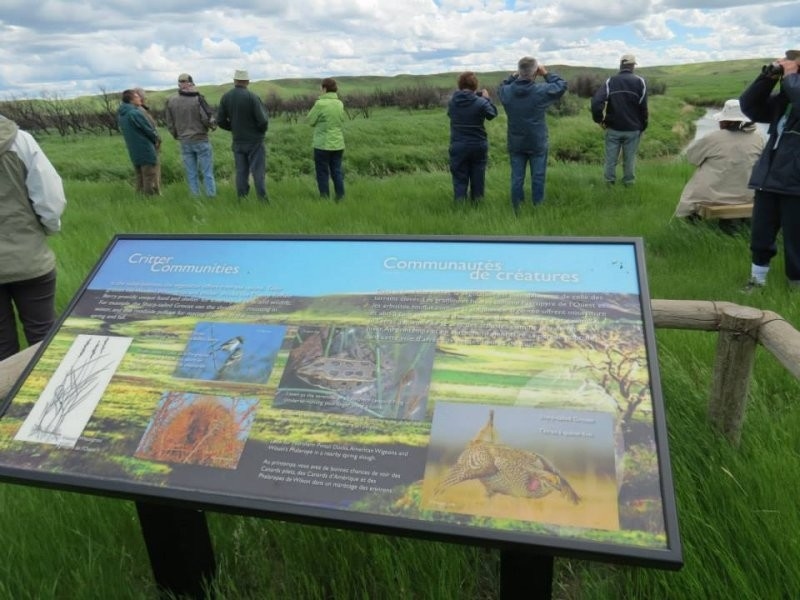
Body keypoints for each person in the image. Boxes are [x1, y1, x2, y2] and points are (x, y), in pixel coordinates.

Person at [0, 114, 67, 360]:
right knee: (43, 338)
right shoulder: (20, 140)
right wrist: (47, 228)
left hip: (28, 258)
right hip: (29, 257)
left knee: (1, 346)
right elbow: (50, 198)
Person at [739, 49, 800, 290]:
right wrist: (768, 77)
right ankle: (757, 281)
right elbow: (750, 106)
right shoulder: (786, 100)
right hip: (770, 176)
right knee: (761, 234)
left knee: (796, 238)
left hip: (796, 182)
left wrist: (790, 76)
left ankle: (795, 288)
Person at [673, 99, 764, 221]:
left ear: (727, 121)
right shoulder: (758, 138)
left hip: (713, 197)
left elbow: (692, 158)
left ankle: (693, 224)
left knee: (691, 197)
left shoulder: (713, 138)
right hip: (748, 195)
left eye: (722, 120)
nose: (719, 122)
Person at [498, 56, 567, 213]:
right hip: (537, 141)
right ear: (535, 72)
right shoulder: (540, 91)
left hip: (516, 141)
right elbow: (561, 85)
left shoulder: (507, 92)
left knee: (517, 177)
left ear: (519, 71)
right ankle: (538, 207)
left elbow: (501, 87)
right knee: (538, 176)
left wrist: (512, 76)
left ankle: (517, 208)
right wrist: (546, 74)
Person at [591, 54, 648, 186]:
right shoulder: (640, 82)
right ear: (632, 66)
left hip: (613, 128)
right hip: (633, 129)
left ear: (621, 65)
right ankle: (628, 184)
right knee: (629, 160)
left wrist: (599, 120)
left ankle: (609, 184)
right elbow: (643, 108)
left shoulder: (610, 81)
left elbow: (596, 102)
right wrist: (643, 126)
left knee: (610, 159)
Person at [216, 69, 269, 202]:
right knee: (258, 172)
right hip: (255, 141)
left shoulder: (226, 97)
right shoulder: (252, 97)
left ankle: (242, 199)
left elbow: (220, 121)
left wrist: (233, 128)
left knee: (241, 172)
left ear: (235, 81)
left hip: (238, 141)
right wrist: (260, 132)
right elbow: (263, 121)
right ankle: (262, 200)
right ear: (247, 81)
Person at [447, 71, 498, 204]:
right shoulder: (481, 102)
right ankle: (477, 204)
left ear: (459, 85)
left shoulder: (452, 102)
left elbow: (450, 114)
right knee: (478, 176)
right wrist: (487, 99)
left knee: (459, 178)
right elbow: (492, 114)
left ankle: (460, 205)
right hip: (478, 144)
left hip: (458, 144)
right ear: (475, 85)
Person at [165, 73, 217, 197]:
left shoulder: (171, 100)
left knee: (191, 173)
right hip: (200, 138)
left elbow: (170, 123)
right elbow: (206, 119)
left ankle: (195, 197)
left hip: (184, 140)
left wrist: (176, 135)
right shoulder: (197, 98)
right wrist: (211, 126)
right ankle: (211, 196)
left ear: (179, 84)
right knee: (207, 172)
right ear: (191, 84)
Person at [306, 78, 346, 201]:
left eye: (321, 87)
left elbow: (310, 121)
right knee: (337, 171)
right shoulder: (340, 104)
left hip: (322, 145)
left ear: (324, 88)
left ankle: (324, 199)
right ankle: (340, 197)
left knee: (322, 172)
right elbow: (342, 120)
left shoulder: (320, 104)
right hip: (338, 144)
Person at [118, 89, 161, 195]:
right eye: (137, 97)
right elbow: (148, 130)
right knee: (149, 175)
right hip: (145, 148)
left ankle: (139, 197)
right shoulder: (135, 113)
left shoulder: (122, 114)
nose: (140, 99)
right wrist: (156, 139)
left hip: (133, 149)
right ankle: (150, 198)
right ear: (131, 100)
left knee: (139, 176)